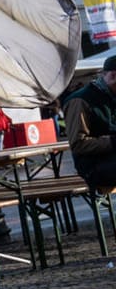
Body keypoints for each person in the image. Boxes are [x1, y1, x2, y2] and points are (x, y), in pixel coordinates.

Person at [63, 54, 116, 189]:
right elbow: (79, 145)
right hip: (94, 166)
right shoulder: (80, 101)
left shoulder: (112, 95)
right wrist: (112, 141)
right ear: (113, 76)